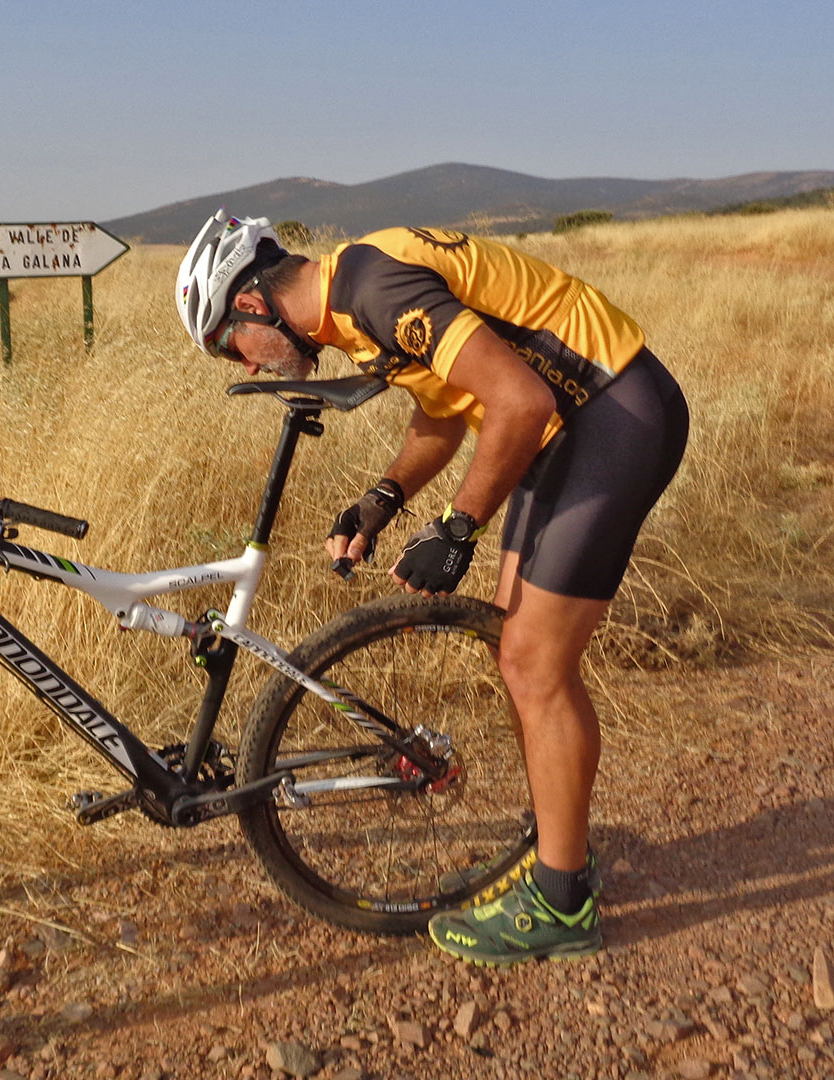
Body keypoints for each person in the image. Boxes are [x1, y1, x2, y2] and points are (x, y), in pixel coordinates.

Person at [175, 211, 688, 964]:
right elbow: (445, 414)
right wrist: (382, 501)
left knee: (533, 664)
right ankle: (556, 857)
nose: (246, 365)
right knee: (513, 649)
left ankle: (563, 901)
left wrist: (456, 529)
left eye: (230, 346)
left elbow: (519, 402)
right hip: (568, 430)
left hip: (612, 416)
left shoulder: (373, 289)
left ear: (252, 306)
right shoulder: (351, 307)